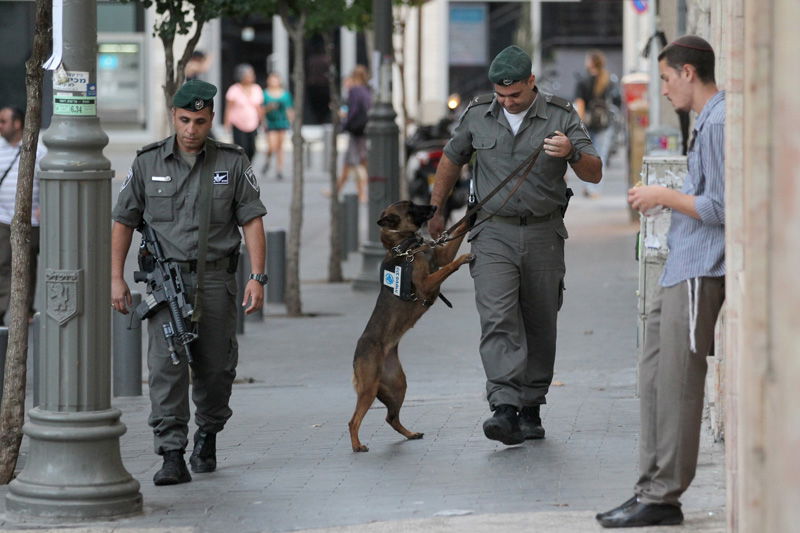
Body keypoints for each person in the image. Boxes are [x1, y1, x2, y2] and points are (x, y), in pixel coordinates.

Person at [429, 46, 602, 445]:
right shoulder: (477, 115)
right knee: (497, 315)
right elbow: (451, 160)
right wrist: (437, 207)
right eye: (501, 95)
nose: (507, 102)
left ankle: (531, 407)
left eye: (515, 96)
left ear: (531, 83)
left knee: (539, 319)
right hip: (493, 233)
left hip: (544, 232)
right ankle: (503, 406)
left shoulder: (560, 115)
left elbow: (594, 172)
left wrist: (572, 153)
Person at [111, 80, 268, 486]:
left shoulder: (232, 162)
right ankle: (171, 453)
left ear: (212, 118)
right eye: (184, 120)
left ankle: (208, 434)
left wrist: (257, 277)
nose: (191, 129)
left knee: (216, 369)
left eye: (199, 121)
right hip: (166, 283)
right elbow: (124, 221)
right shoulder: (148, 163)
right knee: (166, 369)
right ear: (173, 117)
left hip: (217, 280)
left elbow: (251, 219)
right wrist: (116, 278)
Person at [596, 35, 725, 528]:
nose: (665, 90)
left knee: (678, 386)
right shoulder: (705, 120)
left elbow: (721, 208)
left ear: (689, 73)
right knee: (653, 380)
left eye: (667, 79)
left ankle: (665, 495)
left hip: (699, 270)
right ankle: (649, 488)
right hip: (679, 266)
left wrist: (661, 195)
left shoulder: (718, 121)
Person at [0, 106, 45, 325]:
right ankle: (1, 310)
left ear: (17, 124)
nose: (0, 126)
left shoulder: (37, 150)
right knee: (3, 264)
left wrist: (43, 206)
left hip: (31, 221)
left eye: (3, 121)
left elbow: (47, 179)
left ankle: (25, 310)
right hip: (3, 218)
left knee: (27, 266)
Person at [573, 49, 621, 198]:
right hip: (604, 124)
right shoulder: (609, 80)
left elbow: (580, 105)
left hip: (587, 124)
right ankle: (595, 189)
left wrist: (578, 125)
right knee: (601, 156)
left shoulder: (583, 81)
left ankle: (588, 187)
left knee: (586, 156)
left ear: (591, 63)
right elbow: (616, 102)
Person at [335, 66, 372, 203]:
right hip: (363, 130)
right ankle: (337, 190)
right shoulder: (367, 90)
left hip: (356, 131)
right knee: (354, 162)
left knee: (357, 162)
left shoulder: (355, 90)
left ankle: (362, 193)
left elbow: (353, 111)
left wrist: (344, 125)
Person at [224, 64, 263, 162]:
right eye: (249, 75)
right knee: (241, 147)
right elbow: (228, 108)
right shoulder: (234, 89)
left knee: (252, 148)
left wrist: (262, 120)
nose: (251, 77)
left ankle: (247, 165)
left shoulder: (256, 88)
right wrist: (227, 123)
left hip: (253, 124)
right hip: (238, 123)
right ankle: (241, 168)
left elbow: (259, 107)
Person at [261, 72, 294, 181]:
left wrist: (291, 121)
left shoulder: (285, 94)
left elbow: (289, 109)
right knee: (272, 145)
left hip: (282, 122)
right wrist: (268, 109)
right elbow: (261, 110)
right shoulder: (264, 94)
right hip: (270, 122)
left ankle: (279, 170)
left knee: (280, 147)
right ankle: (268, 160)